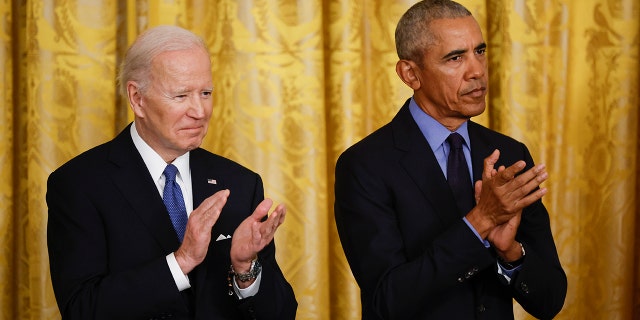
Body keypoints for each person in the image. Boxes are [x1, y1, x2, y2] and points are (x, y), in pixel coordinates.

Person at [334, 1, 567, 319]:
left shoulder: (510, 154)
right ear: (410, 74)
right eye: (456, 57)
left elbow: (550, 300)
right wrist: (480, 222)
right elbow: (386, 300)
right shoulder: (364, 166)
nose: (477, 71)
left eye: (480, 51)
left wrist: (510, 254)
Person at [46, 25, 297, 319]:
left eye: (205, 93)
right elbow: (81, 309)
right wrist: (180, 262)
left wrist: (245, 268)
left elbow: (280, 314)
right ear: (137, 99)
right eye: (181, 96)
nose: (200, 111)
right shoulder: (79, 184)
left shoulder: (240, 183)